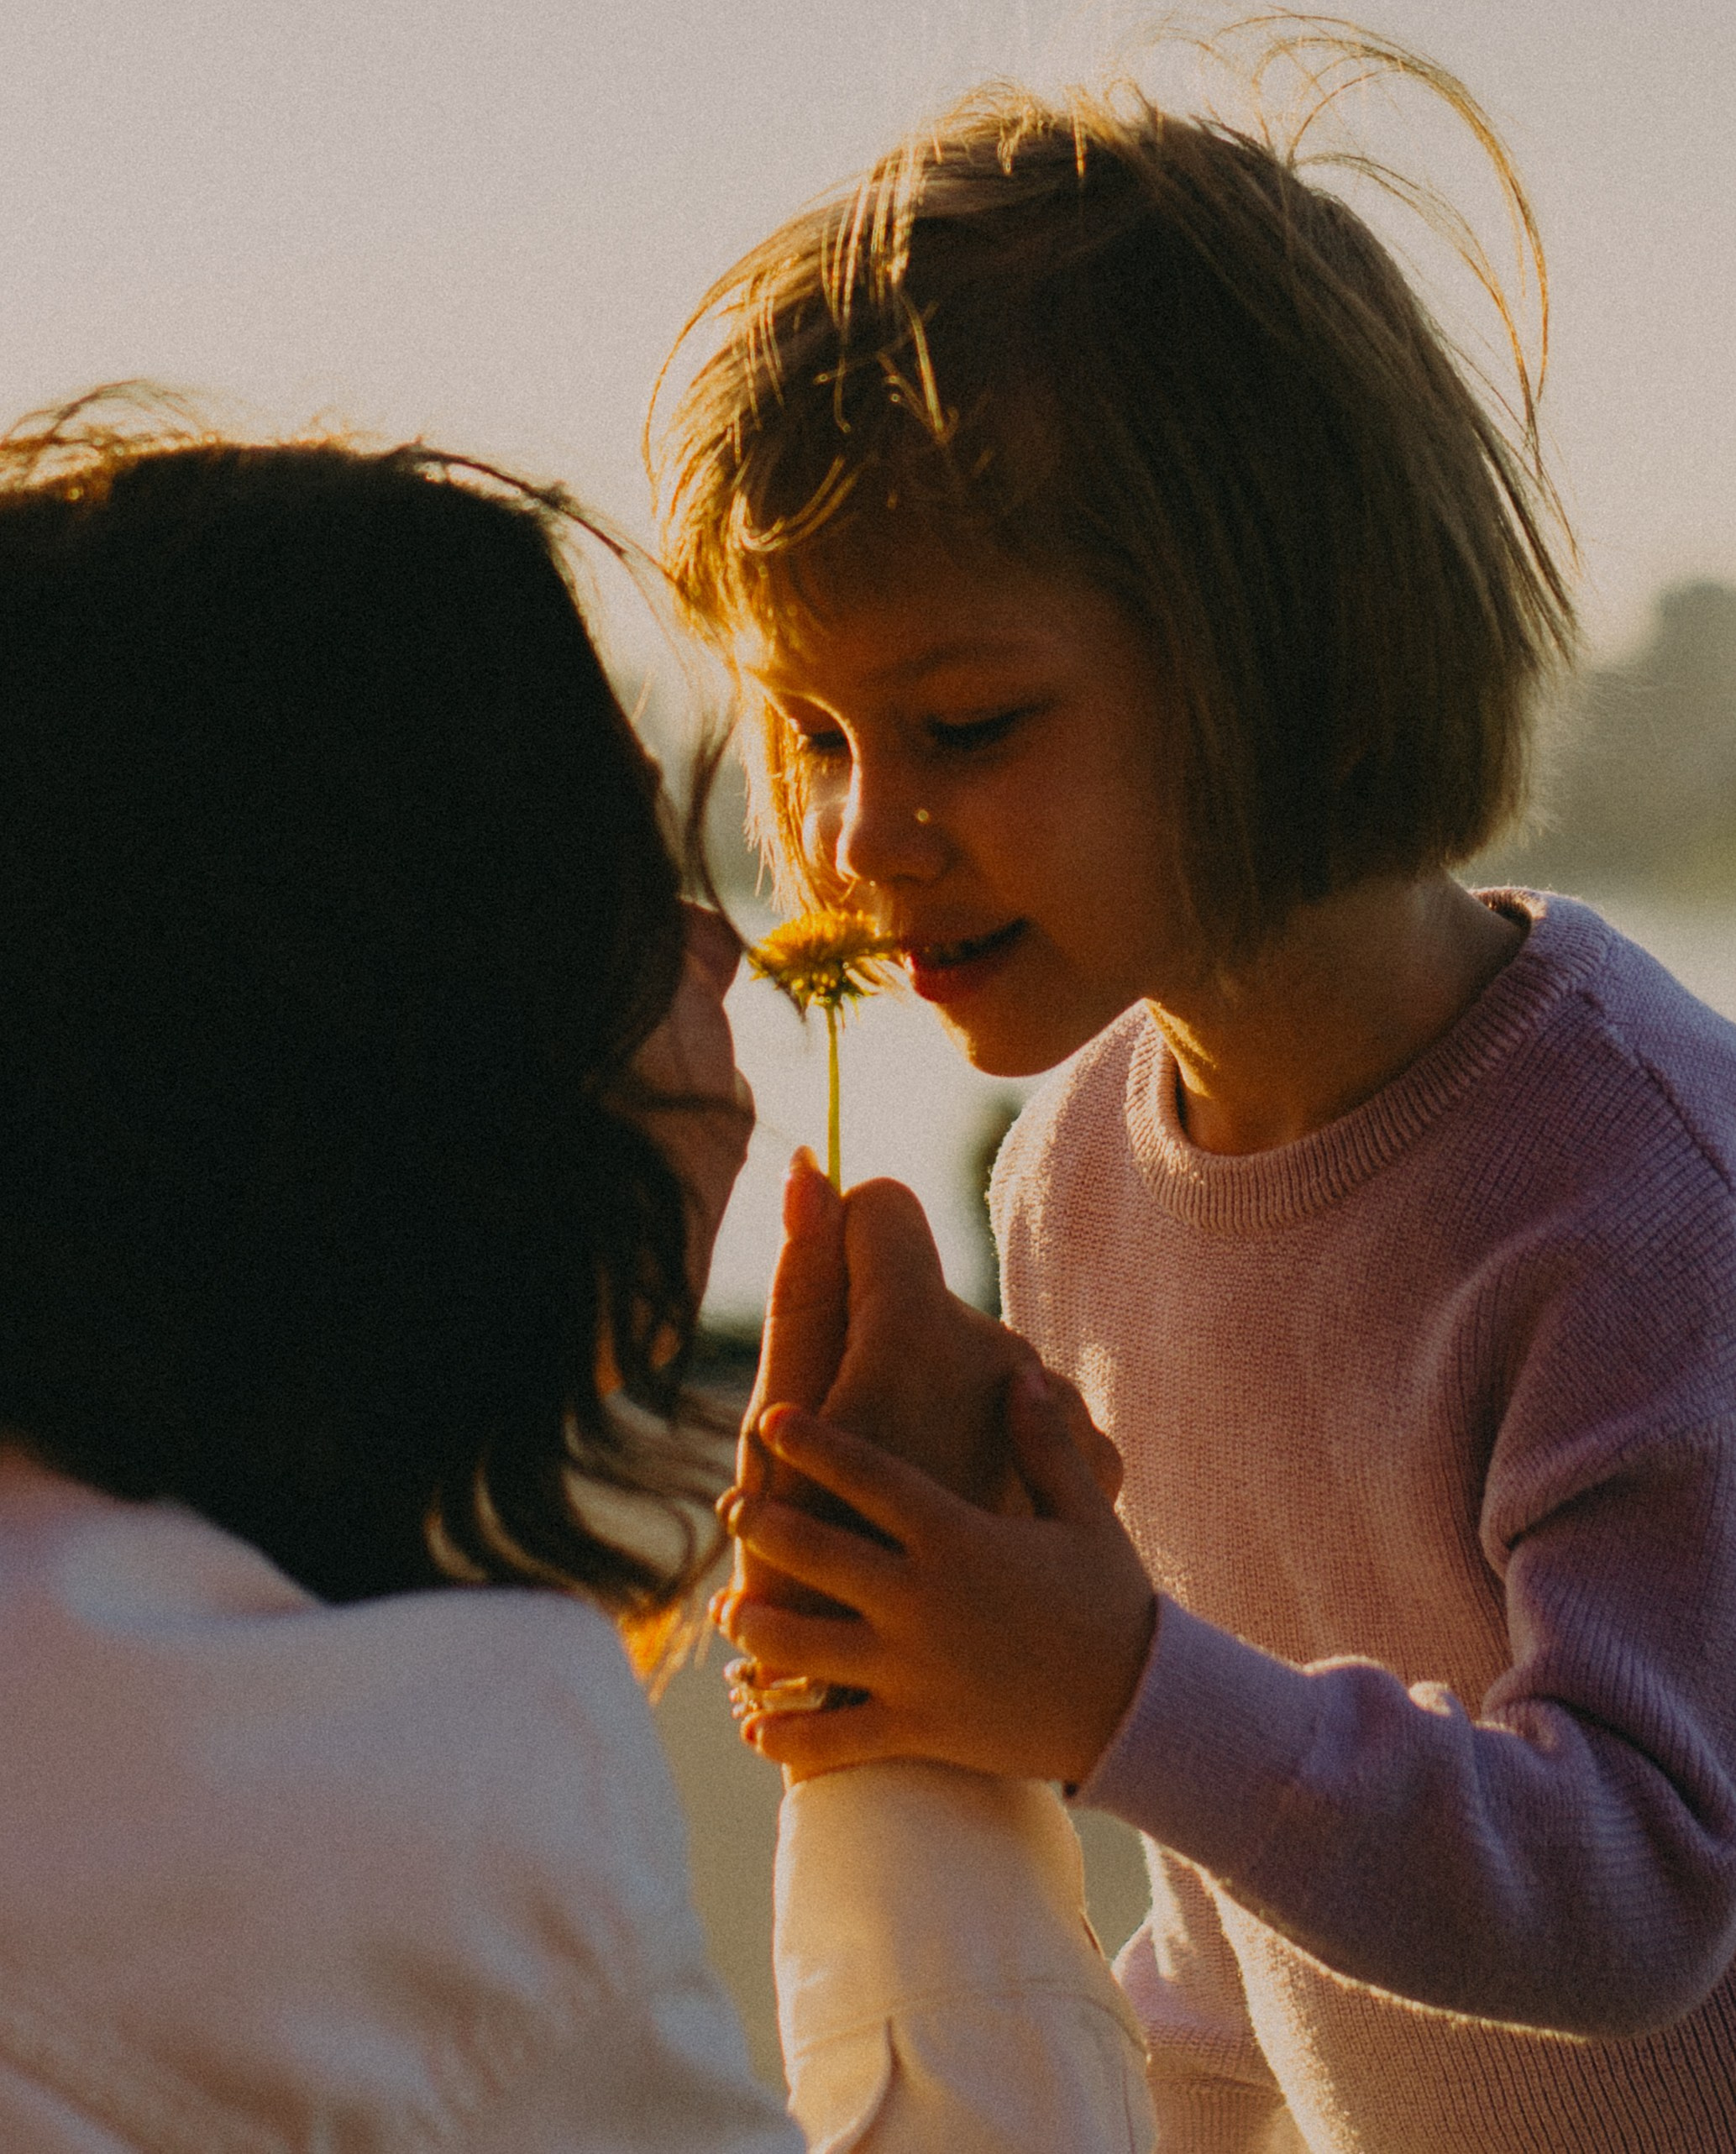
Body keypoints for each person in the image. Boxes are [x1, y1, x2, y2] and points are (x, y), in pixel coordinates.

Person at [657, 24, 1736, 2152]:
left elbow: (1640, 1883)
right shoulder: (1078, 1168)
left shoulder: (1634, 1189)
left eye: (964, 723)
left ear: (1289, 650)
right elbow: (1248, 1895)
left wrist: (1109, 1686)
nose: (860, 837)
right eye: (814, 731)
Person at [0, 401, 1154, 2151]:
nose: (730, 946)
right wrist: (912, 1724)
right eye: (626, 881)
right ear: (432, 1055)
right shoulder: (380, 1812)